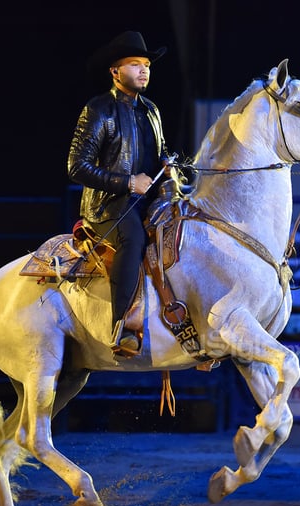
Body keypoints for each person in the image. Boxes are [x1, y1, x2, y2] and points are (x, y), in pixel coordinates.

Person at [67, 31, 172, 357]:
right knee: (134, 240)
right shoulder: (99, 109)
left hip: (148, 203)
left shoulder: (151, 110)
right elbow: (76, 166)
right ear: (115, 71)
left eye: (146, 65)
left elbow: (161, 154)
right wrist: (127, 183)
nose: (144, 71)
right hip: (109, 207)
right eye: (135, 64)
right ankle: (123, 326)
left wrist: (170, 171)